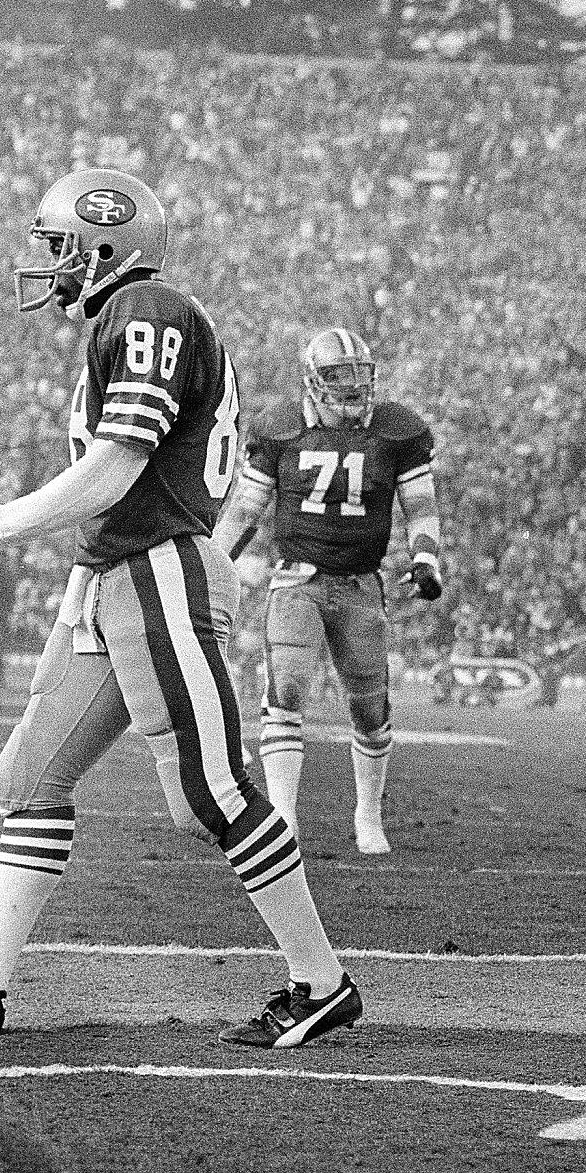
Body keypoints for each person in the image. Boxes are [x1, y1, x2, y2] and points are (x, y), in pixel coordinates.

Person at [0, 168, 359, 1049]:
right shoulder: (122, 322)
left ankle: (320, 982)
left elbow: (117, 469)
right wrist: (74, 604)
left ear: (105, 246)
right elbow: (108, 498)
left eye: (59, 247)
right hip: (116, 578)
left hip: (163, 570)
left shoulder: (150, 312)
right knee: (25, 781)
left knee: (210, 796)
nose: (49, 266)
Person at [212, 328, 443, 856]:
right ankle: (284, 820)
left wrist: (427, 558)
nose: (352, 388)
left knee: (370, 708)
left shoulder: (396, 431)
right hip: (296, 579)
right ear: (313, 384)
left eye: (359, 376)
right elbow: (246, 511)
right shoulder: (280, 431)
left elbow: (421, 507)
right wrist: (212, 566)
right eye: (338, 378)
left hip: (362, 582)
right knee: (286, 691)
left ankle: (367, 815)